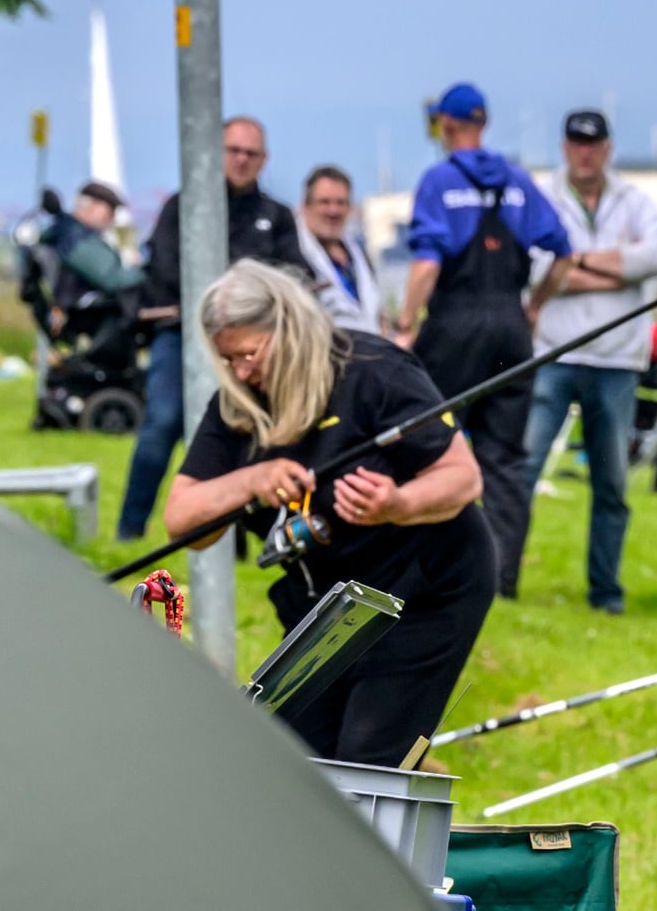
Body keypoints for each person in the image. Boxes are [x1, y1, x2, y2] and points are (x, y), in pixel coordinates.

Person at [160, 260, 493, 764]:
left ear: (288, 331)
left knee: (368, 758)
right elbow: (183, 520)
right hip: (326, 606)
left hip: (424, 588)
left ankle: (384, 838)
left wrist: (397, 505)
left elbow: (463, 477)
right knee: (296, 761)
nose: (242, 373)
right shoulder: (238, 404)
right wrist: (249, 480)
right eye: (227, 360)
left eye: (250, 354)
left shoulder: (375, 371)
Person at [402, 84, 574, 596]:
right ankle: (502, 579)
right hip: (510, 326)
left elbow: (428, 262)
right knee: (505, 459)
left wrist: (407, 323)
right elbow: (563, 252)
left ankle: (430, 573)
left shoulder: (438, 181)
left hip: (454, 324)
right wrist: (535, 306)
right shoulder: (518, 182)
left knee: (432, 447)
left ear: (446, 126)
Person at [118, 116, 298, 542]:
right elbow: (162, 268)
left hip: (254, 349)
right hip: (180, 334)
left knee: (246, 434)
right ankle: (129, 530)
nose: (241, 160)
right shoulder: (183, 207)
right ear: (217, 153)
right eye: (233, 151)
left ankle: (240, 540)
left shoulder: (276, 215)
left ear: (264, 160)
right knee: (162, 423)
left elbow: (293, 277)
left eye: (251, 154)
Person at [529, 109, 657, 615]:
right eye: (575, 143)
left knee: (612, 483)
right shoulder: (541, 196)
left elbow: (655, 257)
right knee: (522, 471)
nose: (584, 152)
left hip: (616, 360)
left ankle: (605, 593)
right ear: (565, 147)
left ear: (607, 148)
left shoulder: (635, 199)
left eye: (593, 143)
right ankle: (501, 583)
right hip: (553, 352)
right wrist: (617, 268)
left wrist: (575, 262)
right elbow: (537, 268)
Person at [293, 165, 391, 338]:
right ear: (305, 206)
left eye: (341, 203)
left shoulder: (358, 252)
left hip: (372, 353)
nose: (333, 211)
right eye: (325, 202)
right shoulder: (294, 253)